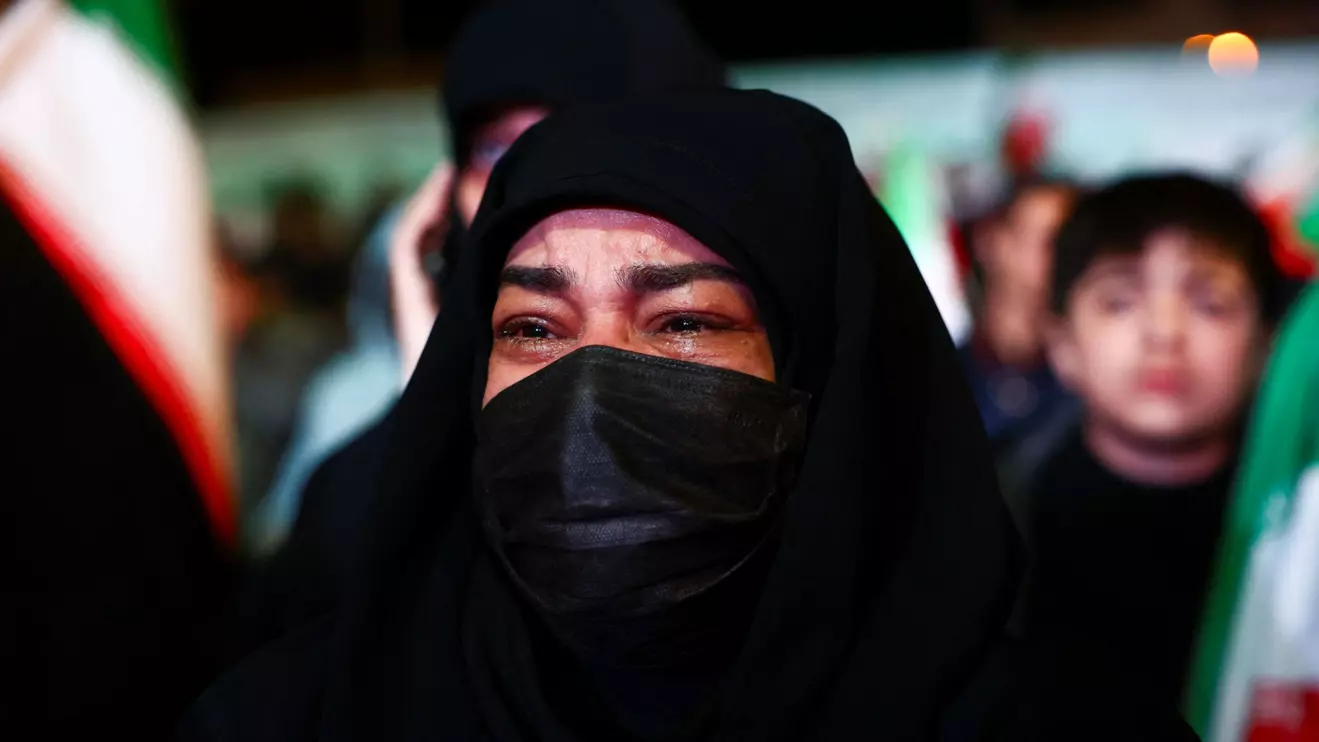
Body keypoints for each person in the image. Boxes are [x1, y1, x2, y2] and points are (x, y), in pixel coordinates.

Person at [182, 91, 1196, 742]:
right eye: (532, 328)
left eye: (683, 322)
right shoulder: (295, 719)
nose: (588, 389)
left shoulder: (1048, 722)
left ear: (817, 380)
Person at [235, 0, 727, 648]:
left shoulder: (790, 424)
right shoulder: (361, 463)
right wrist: (430, 402)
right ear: (444, 202)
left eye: (568, 128)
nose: (529, 172)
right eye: (493, 146)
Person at [1018, 173, 1287, 711]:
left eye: (1210, 303)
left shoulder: (1296, 533)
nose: (1164, 332)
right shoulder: (992, 521)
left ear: (1265, 344)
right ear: (1063, 343)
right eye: (1120, 301)